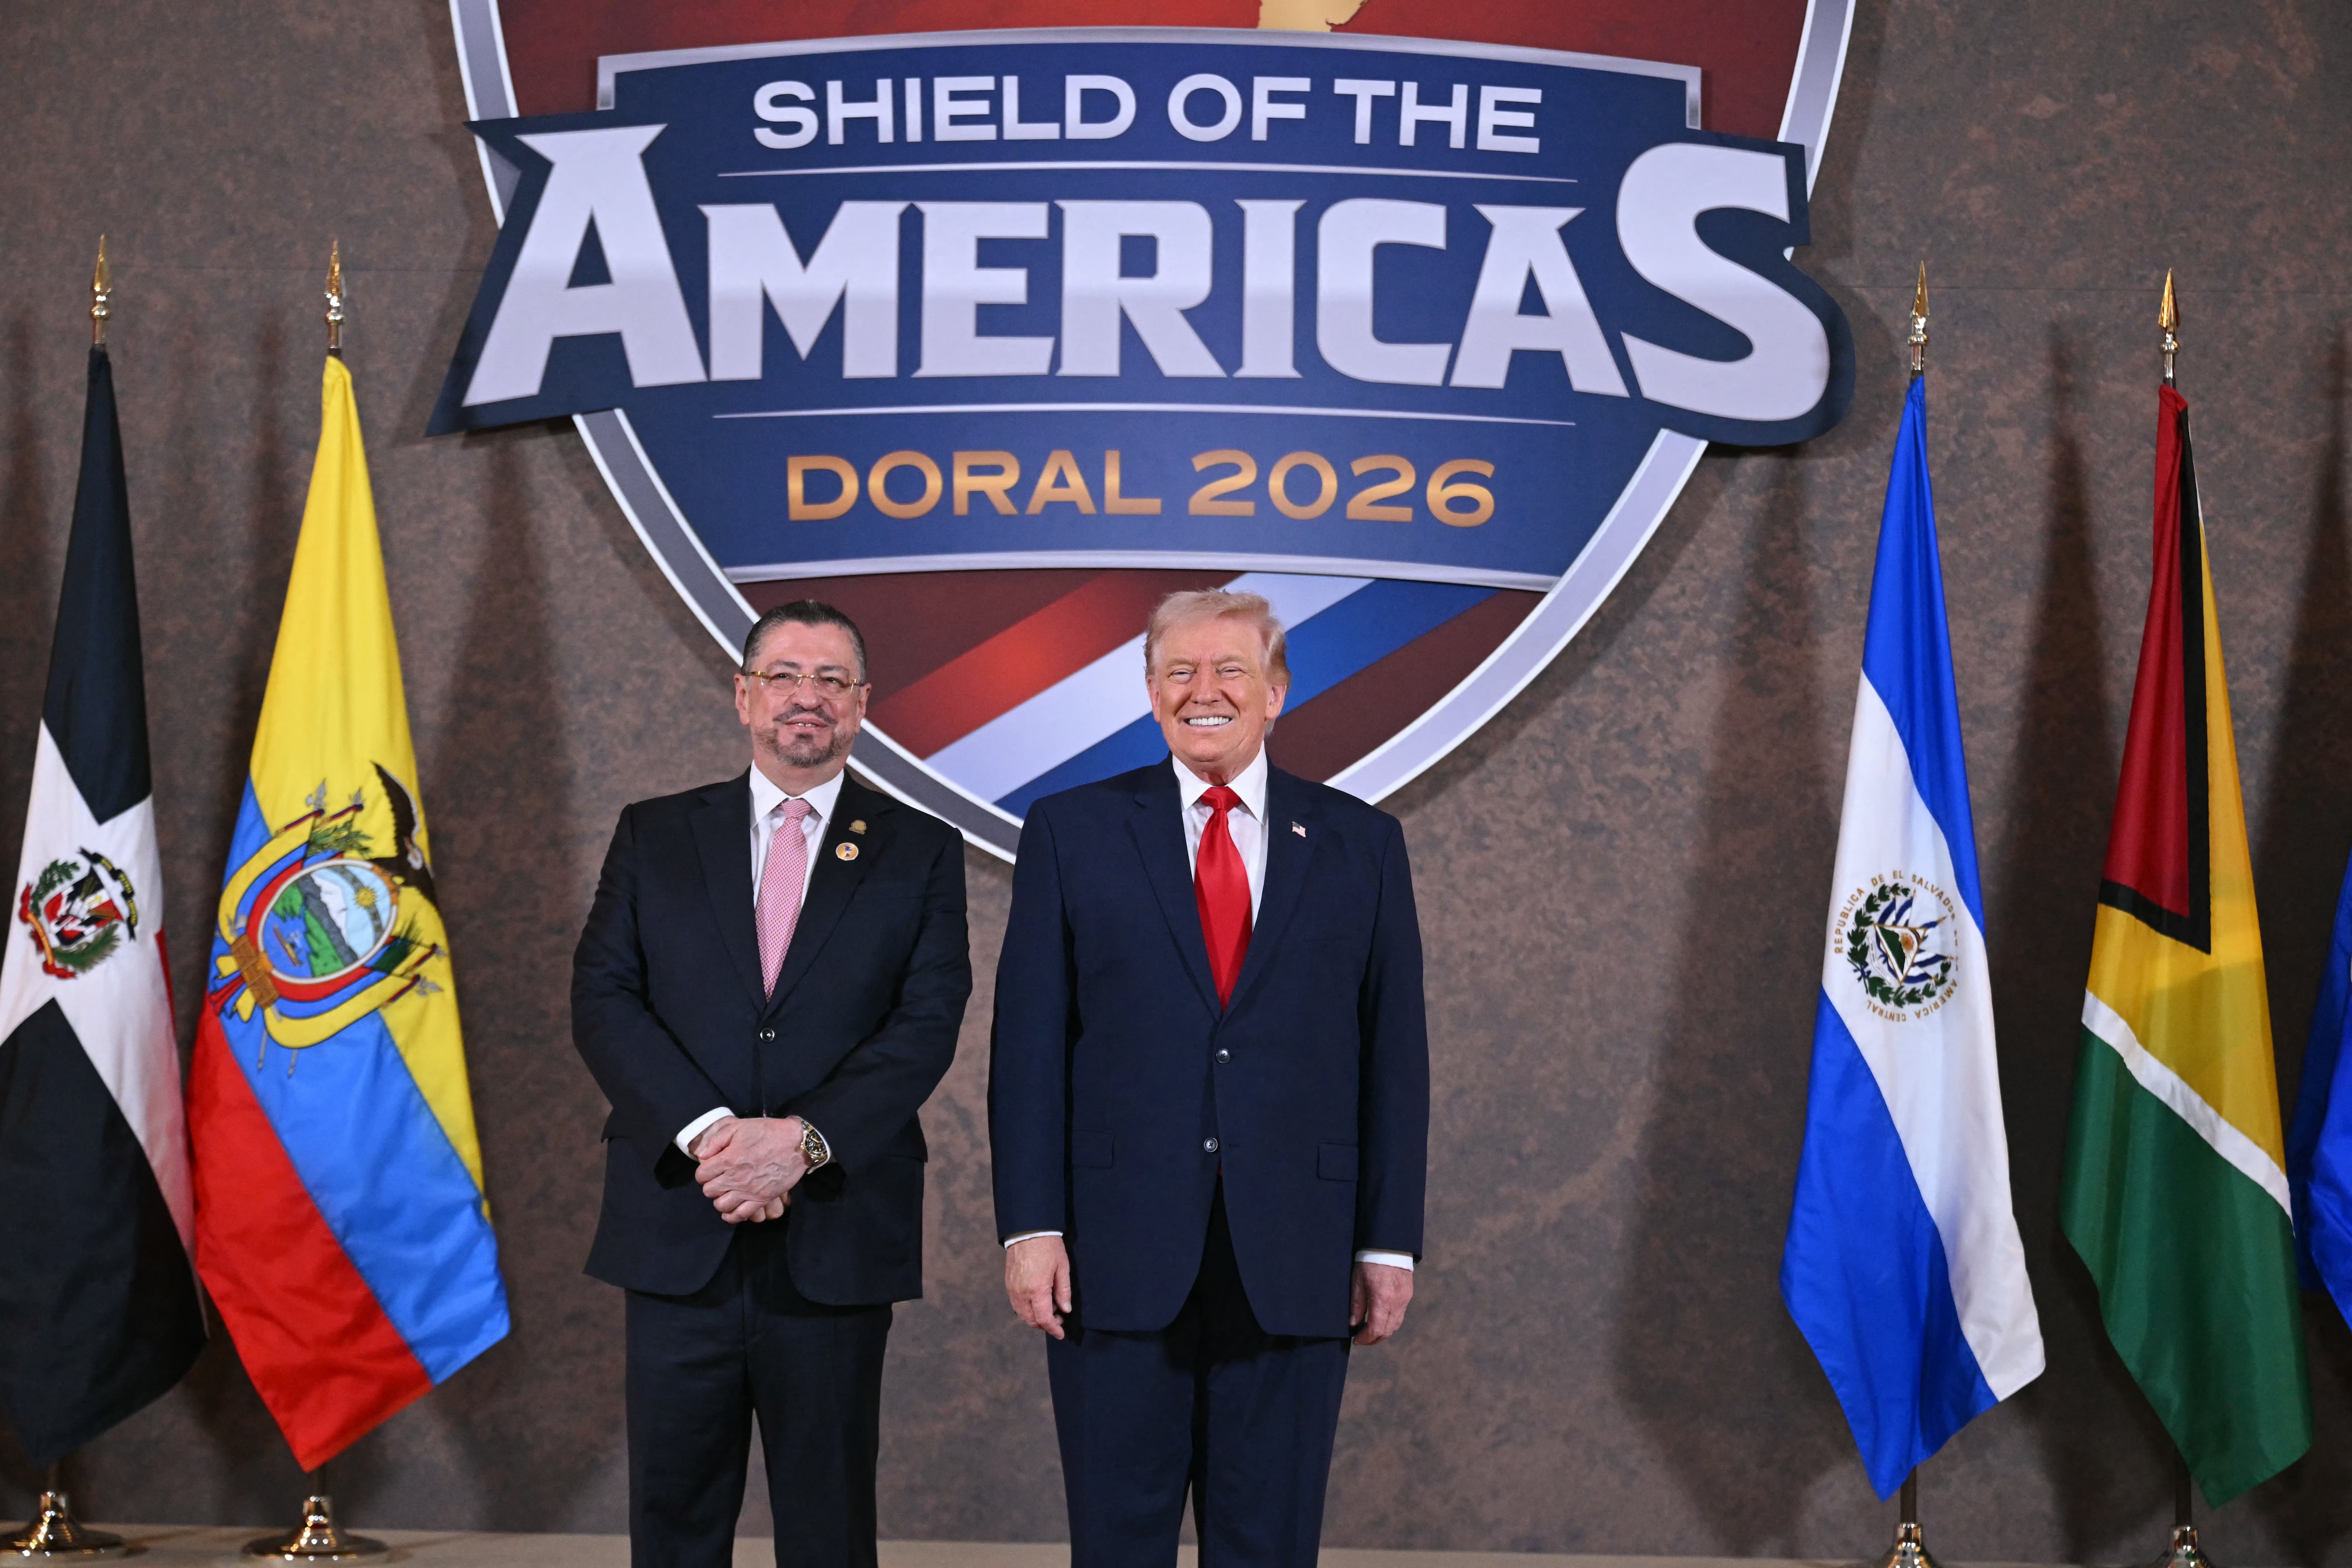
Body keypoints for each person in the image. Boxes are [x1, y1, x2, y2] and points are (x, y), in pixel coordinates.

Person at [989, 588, 1429, 1568]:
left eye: (1230, 670)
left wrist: (1388, 1240)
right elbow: (1026, 1047)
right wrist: (1031, 1227)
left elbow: (1392, 1055)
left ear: (1275, 691)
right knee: (1117, 1539)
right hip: (1113, 1250)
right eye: (1179, 672)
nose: (1204, 691)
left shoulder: (1361, 842)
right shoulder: (1071, 831)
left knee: (1268, 1544)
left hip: (1297, 1254)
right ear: (1150, 694)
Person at [572, 600, 970, 1568]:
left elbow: (925, 1023)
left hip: (833, 1233)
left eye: (832, 680)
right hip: (680, 1223)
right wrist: (716, 1134)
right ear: (744, 694)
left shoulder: (916, 849)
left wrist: (798, 1141)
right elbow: (604, 996)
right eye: (786, 675)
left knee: (829, 1522)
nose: (808, 698)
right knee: (673, 1516)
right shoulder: (655, 832)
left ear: (863, 705)